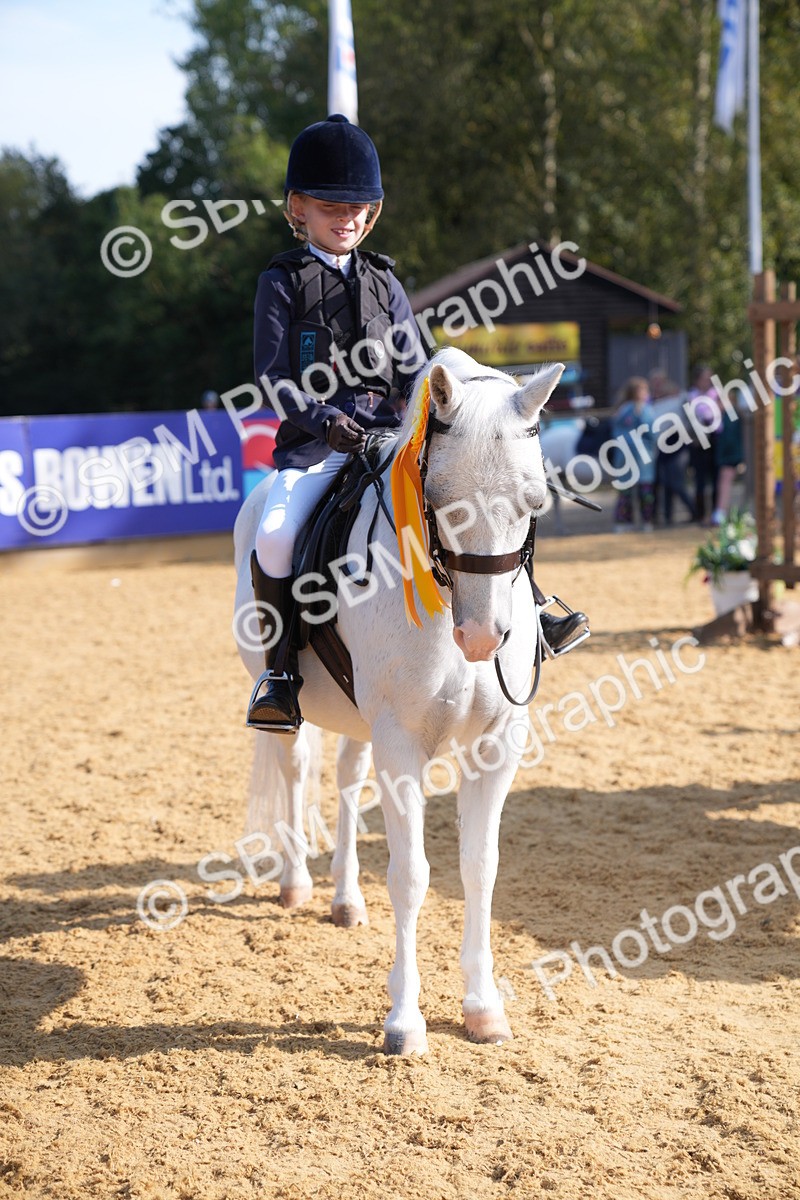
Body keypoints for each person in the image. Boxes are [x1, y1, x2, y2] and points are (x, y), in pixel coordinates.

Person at [246, 114, 589, 733]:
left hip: (393, 439)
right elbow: (274, 375)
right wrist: (325, 423)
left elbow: (417, 369)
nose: (346, 219)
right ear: (298, 208)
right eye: (330, 207)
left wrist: (425, 419)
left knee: (480, 497)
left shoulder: (385, 282)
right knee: (273, 535)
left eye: (358, 208)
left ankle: (534, 610)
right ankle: (279, 677)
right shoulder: (282, 282)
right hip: (317, 448)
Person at [612, 377, 657, 532]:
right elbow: (618, 434)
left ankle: (647, 521)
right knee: (626, 492)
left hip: (644, 458)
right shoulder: (624, 411)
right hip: (626, 457)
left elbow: (652, 432)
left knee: (646, 492)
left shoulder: (648, 410)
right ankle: (623, 522)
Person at [686, 366, 719, 524]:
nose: (708, 381)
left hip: (714, 438)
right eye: (705, 378)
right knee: (700, 479)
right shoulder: (691, 395)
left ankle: (715, 512)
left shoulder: (715, 394)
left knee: (715, 478)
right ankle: (700, 514)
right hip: (698, 441)